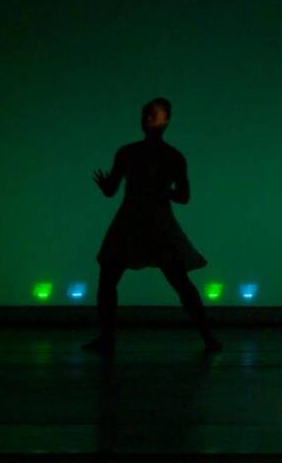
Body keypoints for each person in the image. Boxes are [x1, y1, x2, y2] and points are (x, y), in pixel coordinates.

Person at [83, 98, 222, 353]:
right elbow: (180, 196)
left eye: (153, 115)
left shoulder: (157, 155)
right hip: (142, 221)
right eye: (146, 114)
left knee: (172, 280)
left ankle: (207, 337)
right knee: (114, 278)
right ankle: (207, 337)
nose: (147, 118)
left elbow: (183, 196)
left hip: (146, 222)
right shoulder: (153, 154)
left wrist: (156, 191)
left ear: (165, 120)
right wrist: (159, 191)